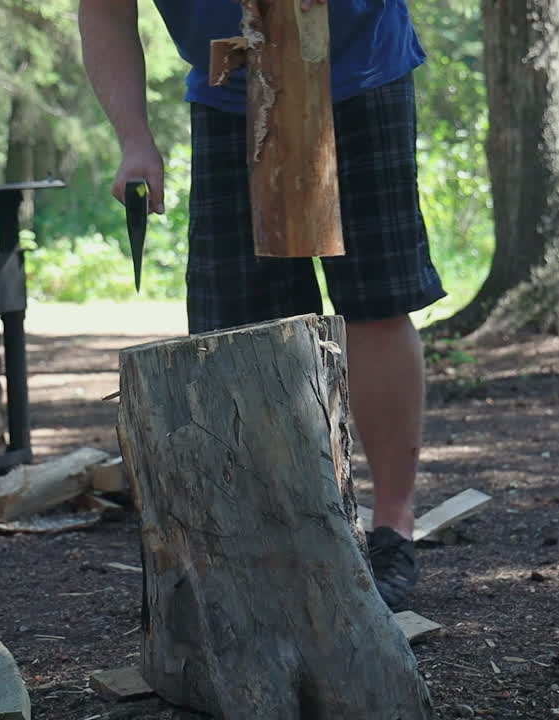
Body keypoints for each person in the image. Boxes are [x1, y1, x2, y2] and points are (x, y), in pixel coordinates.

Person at [77, 0, 445, 611]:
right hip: (231, 93)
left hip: (360, 75)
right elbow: (105, 11)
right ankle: (284, 536)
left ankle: (391, 530)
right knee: (245, 327)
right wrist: (134, 140)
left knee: (377, 300)